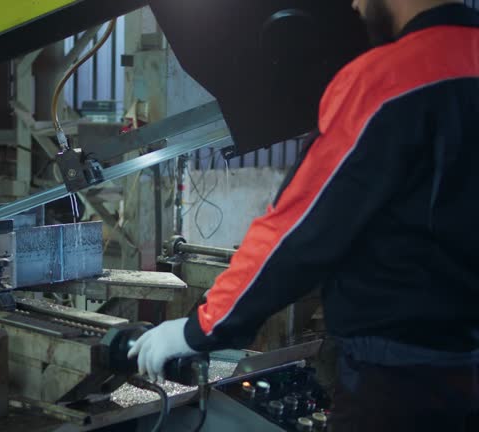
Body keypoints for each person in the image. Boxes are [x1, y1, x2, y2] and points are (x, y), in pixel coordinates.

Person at [128, 1, 479, 430]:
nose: (354, 3)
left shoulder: (389, 79)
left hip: (399, 386)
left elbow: (297, 231)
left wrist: (198, 330)